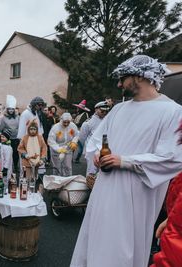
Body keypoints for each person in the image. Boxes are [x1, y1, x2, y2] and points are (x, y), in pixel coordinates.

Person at [71, 55, 182, 267]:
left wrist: (124, 161)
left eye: (123, 78)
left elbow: (173, 158)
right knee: (93, 242)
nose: (119, 84)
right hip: (103, 191)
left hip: (135, 196)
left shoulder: (173, 112)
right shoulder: (119, 110)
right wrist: (96, 155)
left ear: (140, 77)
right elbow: (96, 141)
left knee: (121, 250)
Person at [79, 101, 110, 176]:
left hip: (104, 149)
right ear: (96, 110)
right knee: (91, 172)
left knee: (103, 172)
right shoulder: (88, 122)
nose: (104, 113)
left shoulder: (107, 120)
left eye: (106, 111)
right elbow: (82, 138)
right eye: (102, 111)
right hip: (92, 150)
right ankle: (89, 186)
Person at [0, 95, 20, 173]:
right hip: (7, 138)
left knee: (16, 153)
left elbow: (19, 126)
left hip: (16, 138)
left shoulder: (17, 117)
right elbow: (0, 128)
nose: (11, 110)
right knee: (7, 154)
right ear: (7, 109)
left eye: (12, 109)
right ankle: (8, 168)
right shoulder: (3, 118)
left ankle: (15, 166)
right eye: (9, 109)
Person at [73, 100, 90, 164]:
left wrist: (74, 124)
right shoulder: (79, 114)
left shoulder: (85, 115)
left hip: (80, 132)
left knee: (80, 146)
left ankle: (77, 158)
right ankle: (74, 158)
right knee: (74, 144)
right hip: (76, 132)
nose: (77, 109)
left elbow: (81, 124)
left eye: (78, 108)